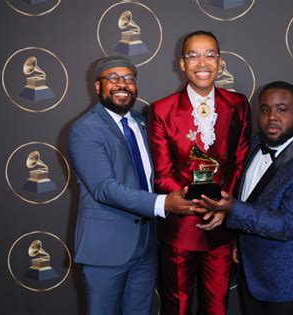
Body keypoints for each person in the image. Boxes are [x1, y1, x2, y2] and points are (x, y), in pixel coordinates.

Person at [193, 81, 293, 315]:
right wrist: (235, 235)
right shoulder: (255, 143)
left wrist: (232, 208)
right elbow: (252, 198)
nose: (272, 117)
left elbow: (286, 225)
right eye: (265, 109)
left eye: (282, 109)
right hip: (254, 270)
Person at [67, 56, 194, 315]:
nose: (122, 84)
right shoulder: (85, 129)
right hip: (106, 250)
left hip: (147, 246)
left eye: (129, 79)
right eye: (112, 78)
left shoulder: (144, 122)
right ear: (97, 86)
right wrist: (164, 203)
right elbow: (105, 188)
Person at [147, 30, 252, 314]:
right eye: (193, 55)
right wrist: (197, 205)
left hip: (221, 227)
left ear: (220, 62)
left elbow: (240, 163)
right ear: (182, 63)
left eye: (210, 54)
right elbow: (162, 174)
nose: (202, 62)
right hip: (180, 227)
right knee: (177, 307)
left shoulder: (239, 105)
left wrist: (225, 208)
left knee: (217, 307)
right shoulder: (161, 111)